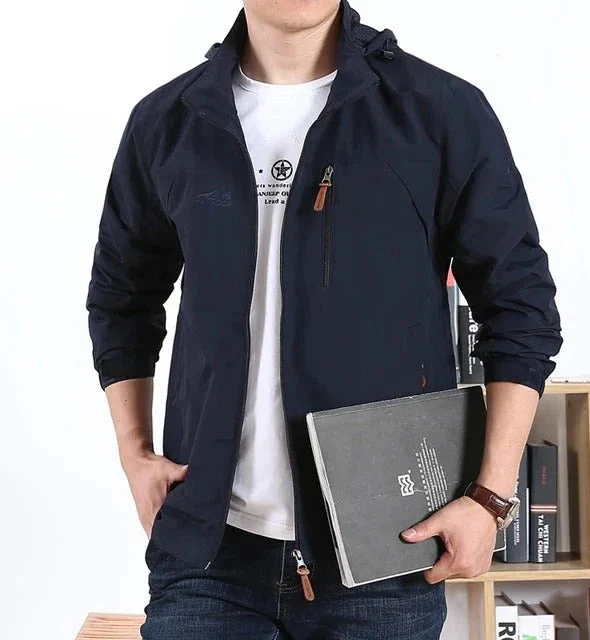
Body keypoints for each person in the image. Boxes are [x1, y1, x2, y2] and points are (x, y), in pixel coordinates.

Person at [85, 0, 562, 637]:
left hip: (387, 554)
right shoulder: (168, 121)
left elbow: (521, 308)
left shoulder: (439, 111)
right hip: (208, 554)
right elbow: (120, 299)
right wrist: (134, 454)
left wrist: (489, 498)